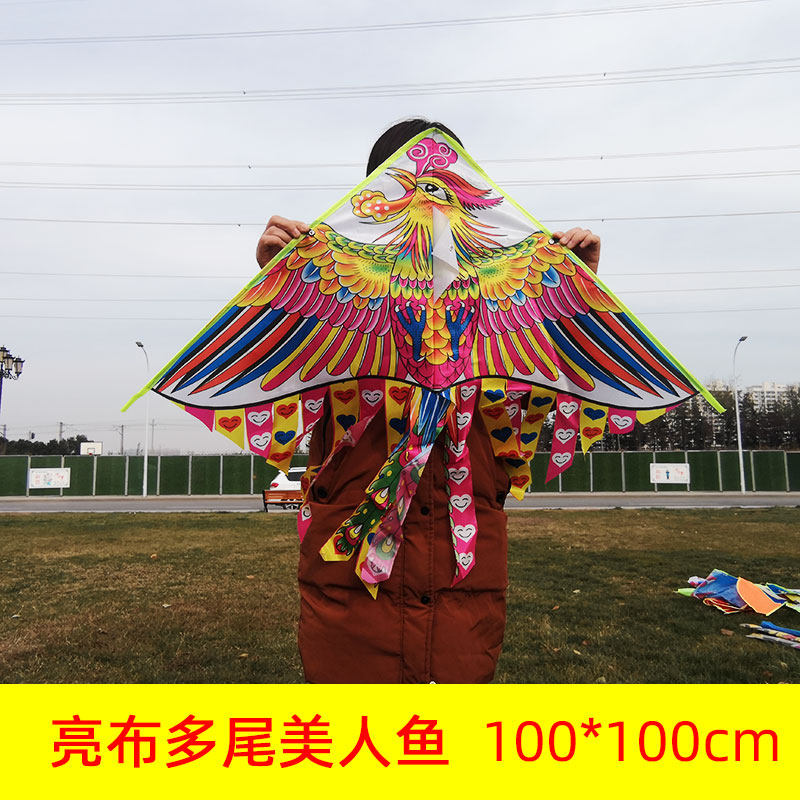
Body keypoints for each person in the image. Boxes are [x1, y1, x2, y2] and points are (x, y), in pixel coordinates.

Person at [256, 119, 601, 683]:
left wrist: (575, 298)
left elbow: (550, 395)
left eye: (444, 181)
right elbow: (281, 387)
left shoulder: (503, 294)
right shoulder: (331, 285)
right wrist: (277, 289)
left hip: (464, 576)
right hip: (350, 577)